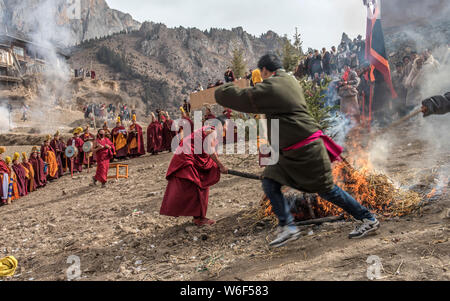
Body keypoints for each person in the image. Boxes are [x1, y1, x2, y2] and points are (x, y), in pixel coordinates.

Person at [215, 53, 379, 248]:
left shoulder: (274, 86)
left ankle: (367, 218)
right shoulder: (288, 80)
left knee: (328, 191)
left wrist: (226, 84)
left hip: (305, 150)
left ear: (266, 70)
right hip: (292, 151)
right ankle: (287, 227)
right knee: (270, 181)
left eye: (261, 73)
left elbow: (238, 98)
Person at [160, 126, 227, 226]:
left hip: (188, 156)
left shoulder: (207, 129)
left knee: (197, 185)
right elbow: (209, 149)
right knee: (196, 185)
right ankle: (199, 219)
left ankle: (198, 217)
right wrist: (221, 166)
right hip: (187, 158)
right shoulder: (212, 131)